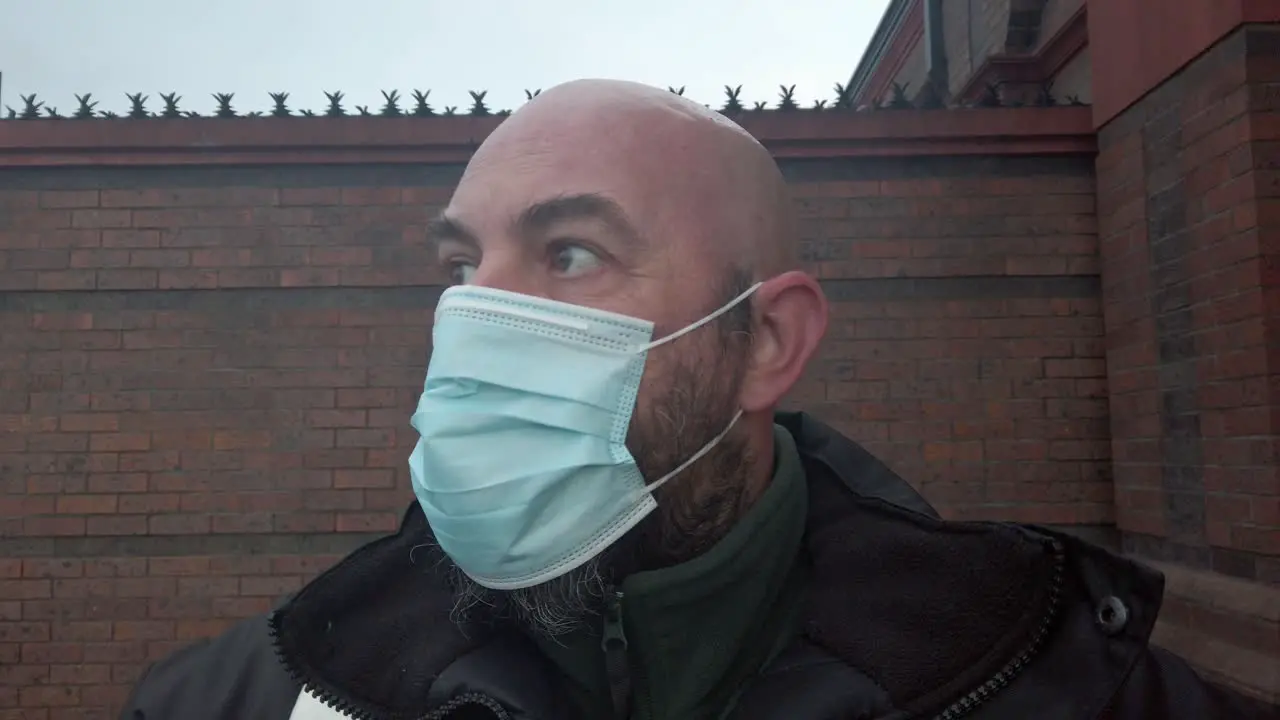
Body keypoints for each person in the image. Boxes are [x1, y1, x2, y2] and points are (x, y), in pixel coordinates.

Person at [120, 79, 1273, 720]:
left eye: (569, 255)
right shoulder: (252, 696)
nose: (475, 321)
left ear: (767, 342)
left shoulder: (1076, 698)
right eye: (462, 266)